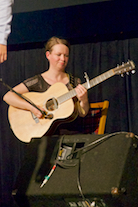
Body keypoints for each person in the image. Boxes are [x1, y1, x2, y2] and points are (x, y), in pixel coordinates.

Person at [3, 36, 89, 135]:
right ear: (48, 55)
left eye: (66, 55)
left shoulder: (74, 82)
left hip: (69, 133)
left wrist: (84, 100)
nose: (63, 59)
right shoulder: (37, 81)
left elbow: (82, 113)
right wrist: (32, 108)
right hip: (44, 134)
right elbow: (8, 96)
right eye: (58, 54)